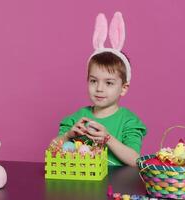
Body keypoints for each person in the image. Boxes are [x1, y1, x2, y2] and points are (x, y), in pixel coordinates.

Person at [55, 12, 146, 166]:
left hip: (116, 186)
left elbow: (135, 160)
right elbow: (52, 149)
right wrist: (68, 135)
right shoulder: (77, 118)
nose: (99, 88)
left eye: (109, 83)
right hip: (81, 184)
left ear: (123, 88)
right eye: (93, 81)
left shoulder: (129, 121)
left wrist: (107, 138)